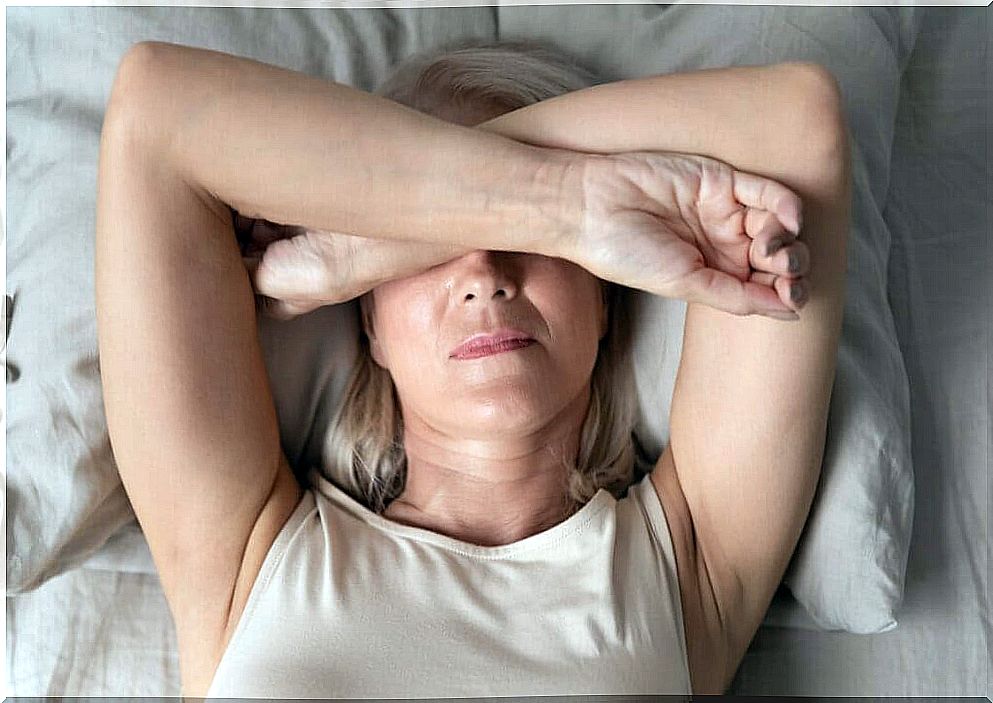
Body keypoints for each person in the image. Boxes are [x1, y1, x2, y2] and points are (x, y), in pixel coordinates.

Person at [95, 37, 849, 698]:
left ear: (606, 300)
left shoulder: (686, 569)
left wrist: (371, 239)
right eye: (428, 245)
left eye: (539, 241)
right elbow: (154, 110)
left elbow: (794, 120)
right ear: (370, 322)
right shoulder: (246, 559)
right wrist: (567, 203)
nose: (484, 273)